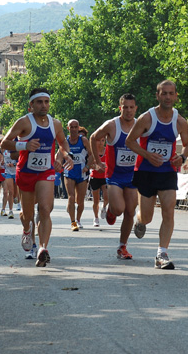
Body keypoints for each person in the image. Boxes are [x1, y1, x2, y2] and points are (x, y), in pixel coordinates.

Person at [0, 88, 73, 267]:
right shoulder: (24, 122)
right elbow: (4, 143)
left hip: (45, 171)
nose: (43, 105)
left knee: (45, 209)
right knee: (28, 215)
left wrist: (62, 156)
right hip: (26, 172)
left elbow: (63, 142)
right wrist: (24, 144)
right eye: (39, 102)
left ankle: (42, 248)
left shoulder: (55, 124)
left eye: (46, 102)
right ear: (31, 105)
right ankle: (27, 230)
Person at [126, 81, 188, 269]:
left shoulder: (180, 121)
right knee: (147, 217)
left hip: (167, 171)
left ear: (176, 96)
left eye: (171, 94)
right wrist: (148, 155)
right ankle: (139, 219)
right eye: (164, 93)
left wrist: (182, 157)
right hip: (146, 171)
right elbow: (130, 141)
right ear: (158, 96)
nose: (168, 97)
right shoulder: (147, 118)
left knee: (168, 210)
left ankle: (161, 253)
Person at [90, 93, 139, 260]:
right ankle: (111, 210)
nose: (128, 110)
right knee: (119, 209)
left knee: (130, 212)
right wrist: (97, 161)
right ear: (120, 108)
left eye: (131, 107)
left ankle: (122, 246)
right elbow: (93, 137)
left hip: (132, 176)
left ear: (135, 109)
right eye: (125, 107)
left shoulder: (140, 126)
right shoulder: (111, 125)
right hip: (114, 176)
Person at [63, 119, 92, 231]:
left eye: (76, 127)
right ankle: (73, 222)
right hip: (69, 172)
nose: (74, 129)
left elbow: (91, 155)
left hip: (81, 172)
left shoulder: (83, 140)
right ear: (68, 128)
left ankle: (78, 219)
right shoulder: (65, 141)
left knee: (80, 200)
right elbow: (59, 153)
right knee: (71, 196)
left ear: (78, 128)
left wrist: (87, 166)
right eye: (72, 127)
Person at [88, 137, 108, 227]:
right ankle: (96, 218)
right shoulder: (93, 151)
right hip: (95, 176)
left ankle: (104, 207)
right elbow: (89, 164)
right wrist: (96, 167)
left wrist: (105, 166)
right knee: (96, 201)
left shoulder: (107, 150)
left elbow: (111, 162)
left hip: (104, 176)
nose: (100, 142)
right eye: (99, 140)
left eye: (102, 140)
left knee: (106, 196)